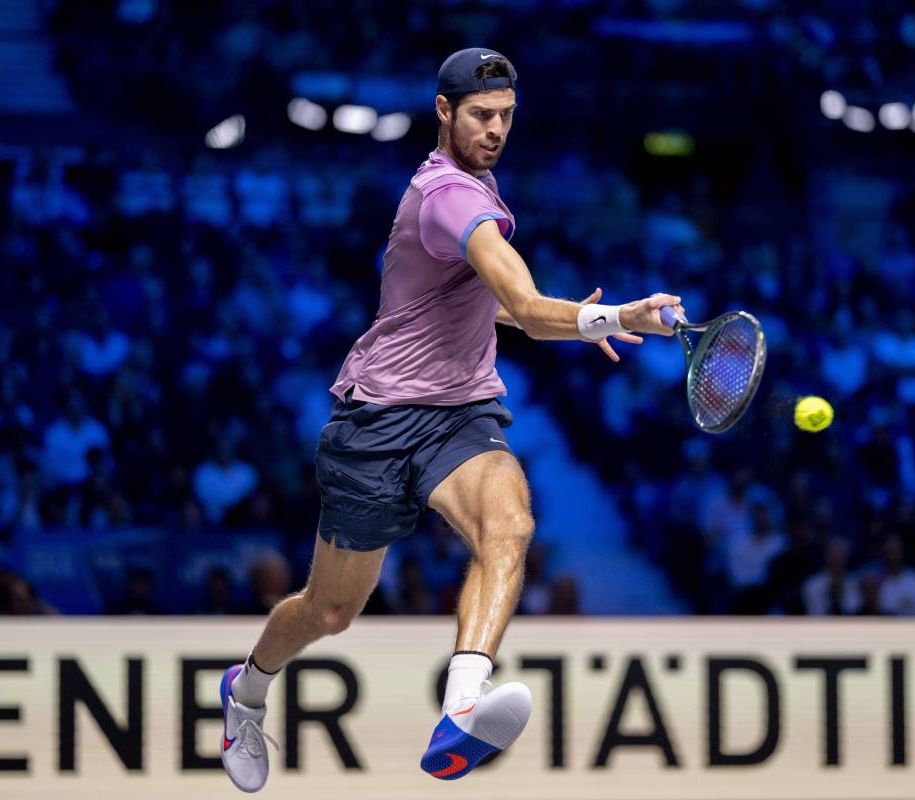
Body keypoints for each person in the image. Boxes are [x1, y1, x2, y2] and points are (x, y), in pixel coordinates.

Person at [218, 47, 681, 792]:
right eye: (481, 115)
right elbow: (526, 305)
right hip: (375, 423)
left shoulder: (479, 187)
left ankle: (461, 707)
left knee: (511, 524)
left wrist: (598, 320)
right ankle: (245, 694)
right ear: (443, 110)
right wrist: (619, 315)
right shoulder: (449, 198)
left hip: (460, 412)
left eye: (506, 116)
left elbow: (495, 311)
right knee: (328, 612)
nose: (496, 129)